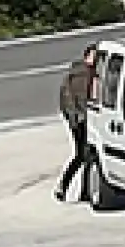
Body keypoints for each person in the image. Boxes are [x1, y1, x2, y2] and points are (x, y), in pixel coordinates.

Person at [54, 46, 98, 202]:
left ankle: (84, 190)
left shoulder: (95, 75)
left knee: (88, 155)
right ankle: (65, 186)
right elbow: (67, 100)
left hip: (90, 119)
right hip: (79, 121)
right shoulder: (76, 76)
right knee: (82, 154)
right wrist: (75, 118)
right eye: (93, 56)